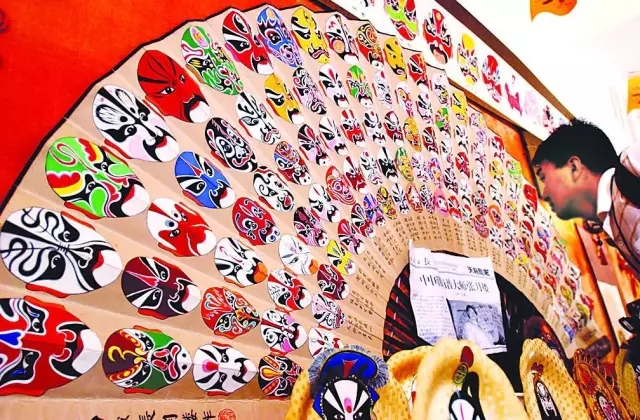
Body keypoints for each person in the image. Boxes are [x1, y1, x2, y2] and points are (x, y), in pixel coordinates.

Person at [532, 118, 640, 278]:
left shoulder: (632, 163)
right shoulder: (613, 228)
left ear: (574, 167)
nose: (545, 193)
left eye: (544, 178)